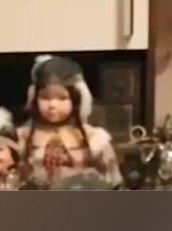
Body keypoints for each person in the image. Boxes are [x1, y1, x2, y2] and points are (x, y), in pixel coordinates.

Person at [17, 55, 121, 190]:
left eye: (62, 98)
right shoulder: (23, 136)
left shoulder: (94, 138)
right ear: (34, 98)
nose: (53, 105)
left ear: (76, 99)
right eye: (45, 98)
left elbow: (112, 181)